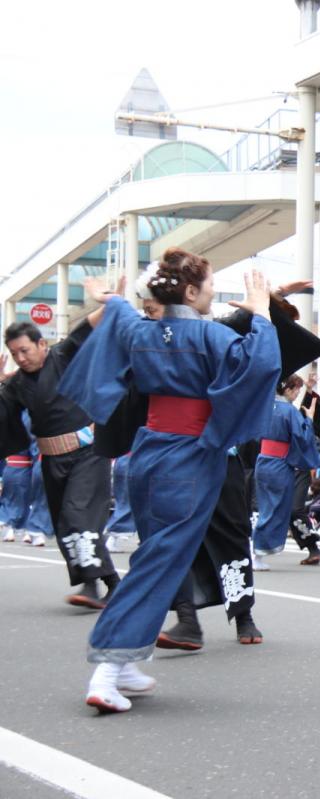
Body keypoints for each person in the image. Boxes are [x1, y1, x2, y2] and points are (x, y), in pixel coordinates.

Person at [57, 248, 280, 713]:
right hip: (190, 457)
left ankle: (129, 660)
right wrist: (261, 313)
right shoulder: (210, 336)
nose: (215, 292)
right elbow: (258, 365)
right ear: (192, 291)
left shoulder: (141, 330)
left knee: (156, 555)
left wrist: (108, 298)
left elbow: (119, 315)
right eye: (212, 285)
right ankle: (108, 667)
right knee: (161, 562)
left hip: (148, 452)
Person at [1, 307, 121, 608]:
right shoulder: (15, 385)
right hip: (51, 460)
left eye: (25, 350)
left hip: (88, 454)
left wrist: (109, 300)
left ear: (42, 344)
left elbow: (87, 325)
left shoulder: (62, 355)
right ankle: (112, 583)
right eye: (15, 354)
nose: (21, 358)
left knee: (77, 514)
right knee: (66, 524)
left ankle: (91, 585)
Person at [252, 375, 320, 569]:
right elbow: (302, 436)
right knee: (276, 508)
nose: (298, 392)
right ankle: (258, 550)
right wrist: (309, 420)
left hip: (263, 460)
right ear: (288, 389)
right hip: (279, 464)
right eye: (297, 389)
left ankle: (257, 549)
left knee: (265, 507)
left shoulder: (265, 407)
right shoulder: (288, 411)